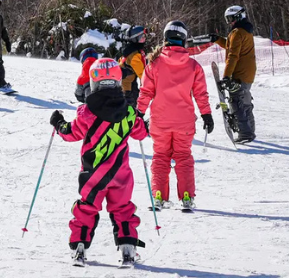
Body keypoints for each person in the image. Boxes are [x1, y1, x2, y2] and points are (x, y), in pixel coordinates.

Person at [50, 58, 148, 267]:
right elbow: (140, 133)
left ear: (94, 83)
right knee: (122, 209)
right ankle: (128, 249)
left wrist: (58, 123)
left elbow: (70, 133)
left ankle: (79, 248)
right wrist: (145, 125)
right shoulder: (129, 112)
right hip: (121, 176)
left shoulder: (86, 113)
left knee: (87, 208)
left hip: (92, 175)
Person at [137, 20, 214, 211]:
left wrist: (139, 113)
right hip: (184, 122)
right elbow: (201, 94)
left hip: (160, 121)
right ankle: (186, 196)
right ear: (184, 40)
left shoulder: (154, 63)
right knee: (183, 157)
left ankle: (158, 196)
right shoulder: (193, 66)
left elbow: (145, 92)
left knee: (161, 156)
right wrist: (206, 115)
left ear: (165, 39)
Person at [212, 5, 257, 143]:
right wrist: (217, 39)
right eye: (227, 19)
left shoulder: (237, 32)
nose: (229, 22)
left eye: (231, 19)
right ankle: (250, 129)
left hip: (240, 73)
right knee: (245, 100)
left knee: (237, 101)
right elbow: (231, 46)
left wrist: (226, 76)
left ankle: (245, 133)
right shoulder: (245, 30)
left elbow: (233, 56)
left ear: (238, 16)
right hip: (248, 73)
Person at [118, 25, 147, 107]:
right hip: (126, 88)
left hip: (129, 83)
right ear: (135, 39)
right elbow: (143, 75)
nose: (144, 38)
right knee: (131, 106)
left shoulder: (130, 49)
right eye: (142, 37)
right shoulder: (134, 55)